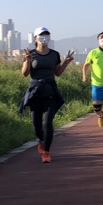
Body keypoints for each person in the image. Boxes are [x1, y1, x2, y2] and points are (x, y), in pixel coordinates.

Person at [19, 27, 74, 163]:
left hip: (50, 92)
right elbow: (24, 73)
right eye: (41, 35)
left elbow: (58, 73)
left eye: (47, 35)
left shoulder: (54, 54)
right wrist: (27, 60)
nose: (44, 37)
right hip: (35, 93)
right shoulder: (31, 54)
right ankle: (41, 141)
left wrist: (66, 63)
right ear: (35, 38)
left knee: (47, 122)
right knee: (36, 126)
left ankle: (46, 152)